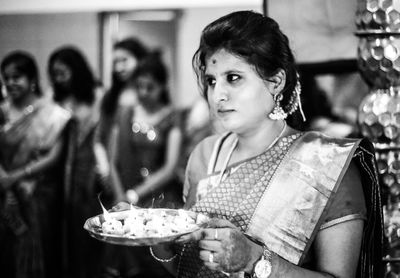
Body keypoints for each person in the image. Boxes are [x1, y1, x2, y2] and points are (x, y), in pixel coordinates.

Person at [134, 10, 382, 278]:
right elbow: (191, 265)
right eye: (211, 80)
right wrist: (151, 234)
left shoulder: (326, 166)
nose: (217, 95)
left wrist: (255, 260)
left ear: (276, 81)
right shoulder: (205, 155)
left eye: (233, 77)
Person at [103, 51, 183, 278]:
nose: (143, 93)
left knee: (156, 266)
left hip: (158, 199)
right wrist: (121, 197)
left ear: (163, 86)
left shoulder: (172, 117)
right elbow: (113, 160)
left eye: (150, 87)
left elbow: (170, 167)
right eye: (139, 86)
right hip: (122, 196)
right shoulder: (125, 114)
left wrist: (134, 196)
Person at [0, 50, 71, 278]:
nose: (11, 83)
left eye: (17, 77)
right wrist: (5, 179)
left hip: (37, 193)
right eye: (6, 77)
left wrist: (16, 176)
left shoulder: (52, 114)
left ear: (32, 80)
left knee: (38, 254)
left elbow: (54, 157)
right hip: (4, 193)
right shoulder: (2, 111)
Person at [47, 45, 110, 278]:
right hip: (68, 170)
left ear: (77, 69)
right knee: (71, 232)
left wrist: (103, 169)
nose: (59, 78)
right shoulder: (57, 99)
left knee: (97, 226)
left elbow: (101, 134)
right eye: (54, 73)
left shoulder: (97, 93)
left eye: (63, 72)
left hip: (94, 167)